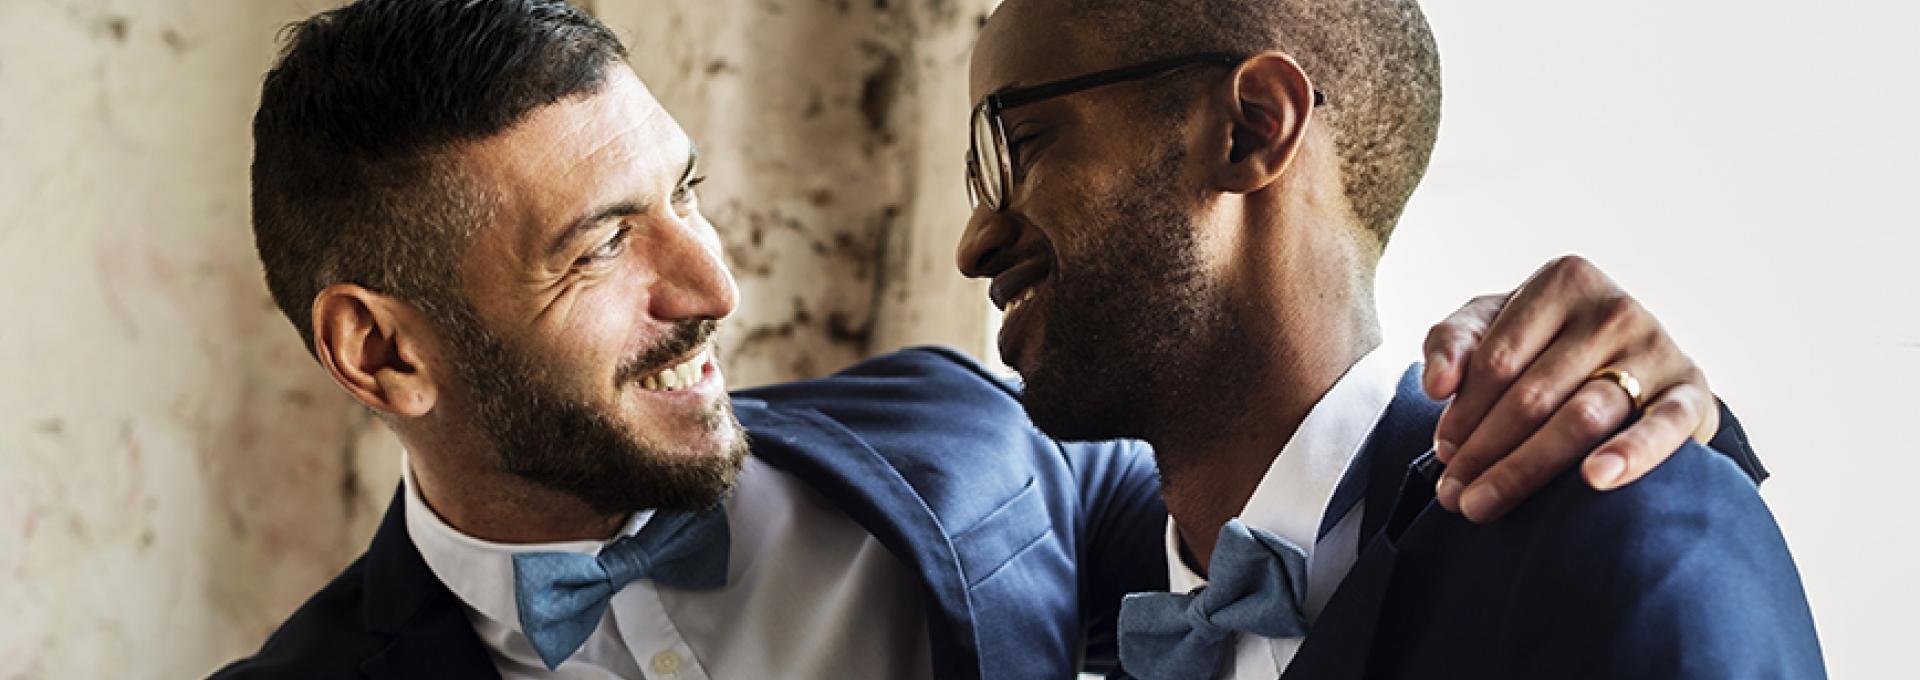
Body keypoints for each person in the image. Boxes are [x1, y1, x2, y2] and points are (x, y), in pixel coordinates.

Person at [213, 1, 1763, 678]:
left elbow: (1288, 479)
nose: (713, 286)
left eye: (683, 195)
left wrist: (1609, 393)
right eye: (603, 245)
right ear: (385, 356)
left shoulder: (965, 456)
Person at [957, 0, 1822, 678]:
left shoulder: (1622, 529)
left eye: (1021, 145)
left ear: (1252, 127)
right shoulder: (1133, 601)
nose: (975, 242)